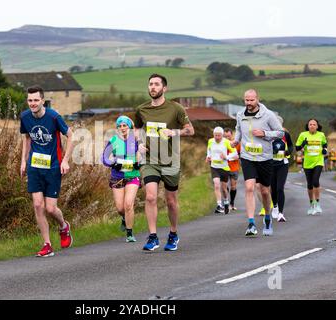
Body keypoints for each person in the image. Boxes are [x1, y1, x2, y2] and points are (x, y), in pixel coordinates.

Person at [134, 74, 195, 252]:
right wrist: (139, 144)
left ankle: (173, 233)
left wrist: (174, 132)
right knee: (151, 196)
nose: (153, 87)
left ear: (164, 89)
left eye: (156, 84)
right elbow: (137, 128)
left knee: (170, 201)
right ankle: (153, 237)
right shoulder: (141, 109)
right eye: (150, 84)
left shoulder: (175, 108)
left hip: (170, 160)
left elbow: (190, 130)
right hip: (149, 160)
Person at [20, 85, 75, 258]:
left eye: (36, 100)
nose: (33, 103)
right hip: (34, 166)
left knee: (51, 209)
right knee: (37, 204)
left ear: (43, 101)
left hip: (53, 167)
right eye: (30, 100)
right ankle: (47, 244)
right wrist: (23, 161)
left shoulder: (53, 117)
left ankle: (63, 226)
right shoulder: (25, 117)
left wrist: (65, 160)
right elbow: (27, 138)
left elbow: (71, 136)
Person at [231, 89, 284, 237]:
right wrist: (235, 141)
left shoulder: (268, 115)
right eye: (246, 100)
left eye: (251, 100)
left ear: (257, 99)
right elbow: (239, 130)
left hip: (264, 158)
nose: (248, 103)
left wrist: (265, 133)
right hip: (247, 157)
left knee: (265, 191)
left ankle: (268, 218)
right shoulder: (240, 114)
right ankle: (251, 223)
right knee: (249, 187)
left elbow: (280, 133)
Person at [102, 116, 141, 243]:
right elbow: (104, 158)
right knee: (120, 208)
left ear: (129, 127)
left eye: (125, 125)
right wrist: (113, 163)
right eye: (120, 126)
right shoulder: (113, 140)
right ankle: (124, 218)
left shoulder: (135, 140)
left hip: (132, 176)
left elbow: (145, 154)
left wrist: (138, 163)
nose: (122, 128)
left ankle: (129, 233)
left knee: (128, 204)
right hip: (117, 177)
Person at [295, 119, 328, 216]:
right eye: (310, 124)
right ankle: (311, 204)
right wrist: (303, 144)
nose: (312, 126)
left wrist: (325, 150)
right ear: (308, 126)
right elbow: (297, 148)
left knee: (315, 181)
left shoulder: (321, 135)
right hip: (307, 163)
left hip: (318, 161)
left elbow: (325, 144)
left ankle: (317, 203)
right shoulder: (303, 135)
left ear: (317, 126)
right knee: (309, 184)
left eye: (314, 124)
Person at [206, 127, 238, 215]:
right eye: (215, 135)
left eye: (219, 135)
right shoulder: (210, 141)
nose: (217, 137)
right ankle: (219, 205)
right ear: (213, 135)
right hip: (214, 166)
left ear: (222, 135)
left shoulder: (227, 142)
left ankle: (226, 202)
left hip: (224, 168)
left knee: (224, 189)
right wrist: (208, 156)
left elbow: (235, 153)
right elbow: (209, 150)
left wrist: (226, 157)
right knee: (216, 184)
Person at [270, 116, 293, 223]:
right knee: (273, 188)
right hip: (270, 164)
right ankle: (274, 206)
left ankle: (281, 213)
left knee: (280, 188)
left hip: (283, 164)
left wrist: (287, 152)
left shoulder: (285, 134)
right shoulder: (267, 135)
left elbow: (291, 146)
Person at [224, 128, 241, 211]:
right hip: (224, 167)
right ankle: (226, 202)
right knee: (224, 185)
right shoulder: (222, 143)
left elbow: (241, 154)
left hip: (234, 167)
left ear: (232, 135)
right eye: (225, 136)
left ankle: (232, 203)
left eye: (229, 136)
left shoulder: (237, 144)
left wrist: (237, 156)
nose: (227, 138)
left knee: (233, 186)